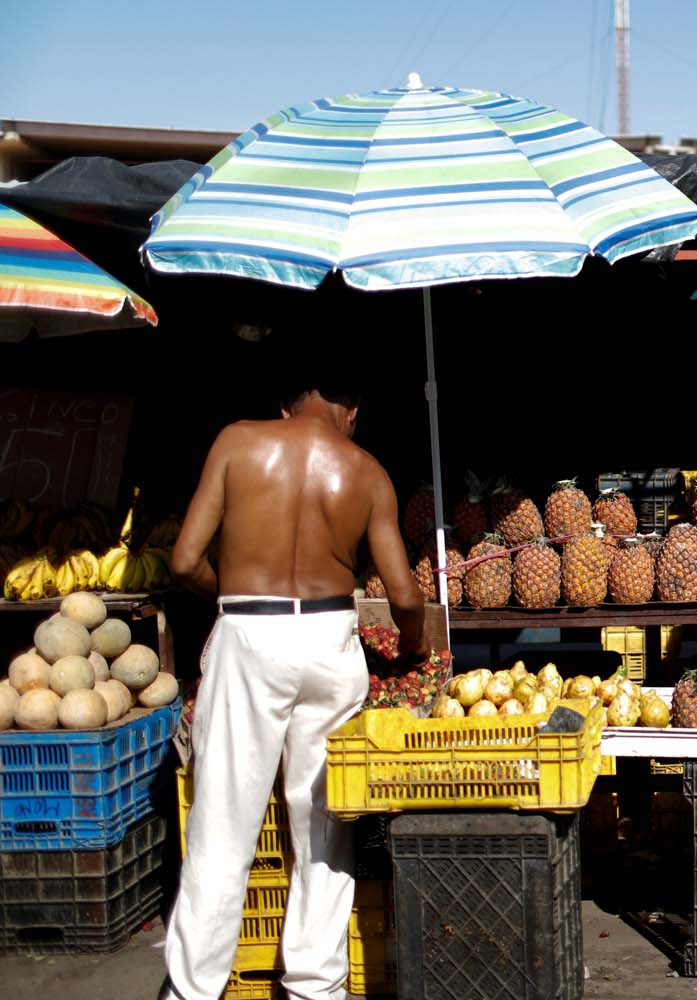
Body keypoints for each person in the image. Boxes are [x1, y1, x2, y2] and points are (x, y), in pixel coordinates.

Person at [161, 359, 425, 1000]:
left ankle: (194, 989)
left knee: (223, 824)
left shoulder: (236, 440)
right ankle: (317, 984)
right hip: (330, 644)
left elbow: (184, 559)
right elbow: (406, 597)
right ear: (352, 409)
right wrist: (412, 652)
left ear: (288, 404)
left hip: (249, 635)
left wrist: (230, 592)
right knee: (323, 825)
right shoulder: (368, 472)